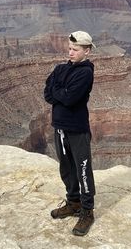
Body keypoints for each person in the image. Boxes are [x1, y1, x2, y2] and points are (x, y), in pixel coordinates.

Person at [43, 30, 96, 236]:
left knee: (82, 169)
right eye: (70, 49)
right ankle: (73, 202)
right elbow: (48, 93)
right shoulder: (60, 68)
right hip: (60, 127)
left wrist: (60, 93)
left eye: (75, 49)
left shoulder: (85, 72)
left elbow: (70, 98)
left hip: (77, 129)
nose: (71, 53)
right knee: (66, 168)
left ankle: (87, 211)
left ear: (87, 51)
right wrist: (60, 93)